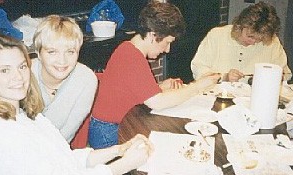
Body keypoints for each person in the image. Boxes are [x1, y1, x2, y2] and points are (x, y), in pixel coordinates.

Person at [0, 33, 152, 175]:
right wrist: (124, 164)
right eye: (4, 70)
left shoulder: (27, 117)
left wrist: (119, 150)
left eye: (22, 67)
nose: (18, 77)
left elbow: (65, 160)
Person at [88, 1, 221, 149]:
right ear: (153, 35)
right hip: (109, 132)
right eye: (167, 42)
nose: (168, 49)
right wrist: (198, 86)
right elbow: (158, 102)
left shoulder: (128, 49)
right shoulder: (132, 58)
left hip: (107, 126)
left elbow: (130, 89)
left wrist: (158, 87)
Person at [32, 15, 98, 144]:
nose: (62, 61)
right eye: (52, 52)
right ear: (38, 53)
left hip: (55, 151)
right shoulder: (23, 75)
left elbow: (64, 137)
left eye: (70, 52)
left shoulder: (86, 80)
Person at [191, 1, 291, 82]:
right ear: (239, 26)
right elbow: (198, 68)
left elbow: (285, 74)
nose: (253, 42)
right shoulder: (217, 35)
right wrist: (224, 77)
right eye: (250, 36)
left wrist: (271, 77)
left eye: (259, 40)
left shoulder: (273, 42)